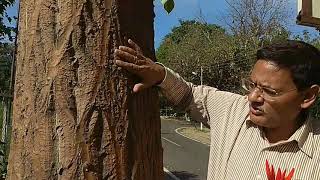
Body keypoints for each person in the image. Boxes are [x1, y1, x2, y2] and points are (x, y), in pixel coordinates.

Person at [114, 39, 320, 180]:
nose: (252, 97)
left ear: (308, 96)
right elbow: (190, 95)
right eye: (252, 85)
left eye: (269, 91)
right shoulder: (233, 110)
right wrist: (160, 76)